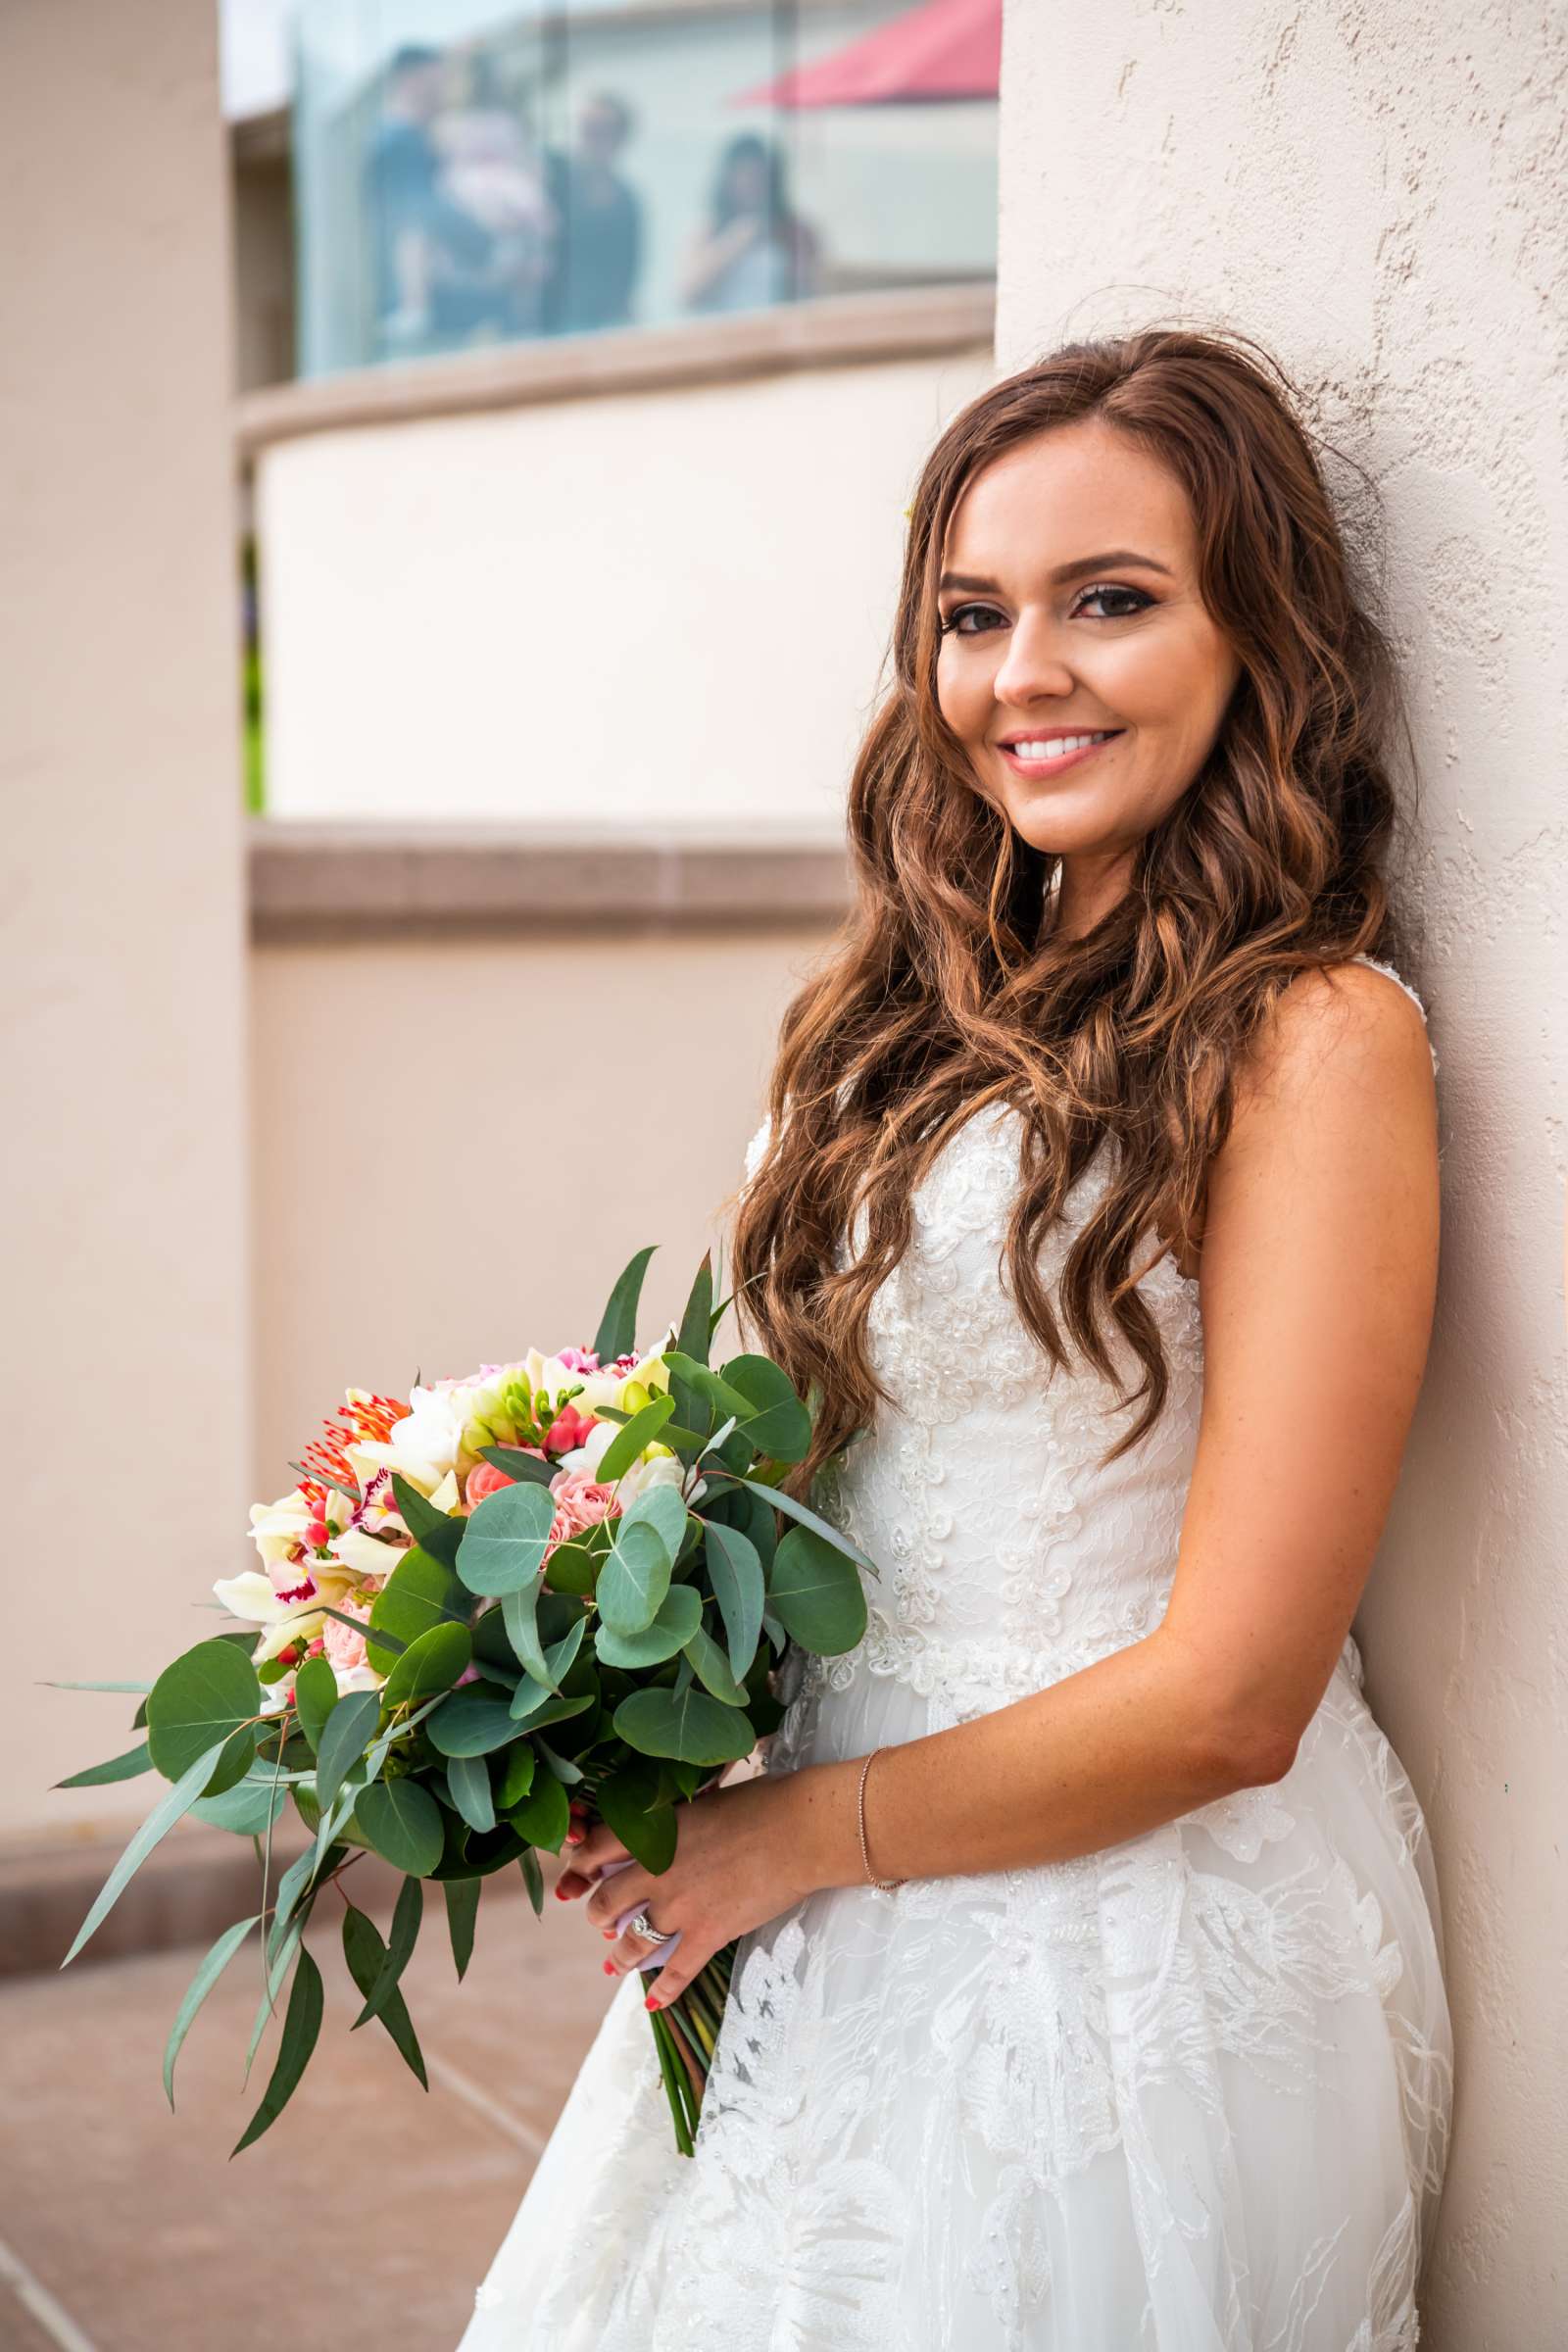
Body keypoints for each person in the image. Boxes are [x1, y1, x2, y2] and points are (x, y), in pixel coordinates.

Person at [459, 326, 1454, 2347]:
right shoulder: (893, 1024)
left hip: (1112, 1951)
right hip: (815, 1896)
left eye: (1111, 602)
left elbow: (1231, 1695)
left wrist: (778, 1847)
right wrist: (583, 1626)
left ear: (1257, 635)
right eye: (973, 616)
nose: (1024, 677)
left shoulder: (1313, 1040)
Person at [677, 131, 821, 316]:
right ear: (728, 179)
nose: (751, 183)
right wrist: (737, 239)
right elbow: (688, 294)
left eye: (759, 176)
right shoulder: (708, 228)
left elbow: (814, 293)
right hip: (721, 334)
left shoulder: (794, 230)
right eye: (744, 175)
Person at [539, 92, 644, 335]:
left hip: (603, 325)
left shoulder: (626, 200)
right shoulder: (554, 180)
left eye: (601, 131)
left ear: (619, 139)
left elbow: (628, 270)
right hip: (554, 320)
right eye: (586, 128)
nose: (590, 138)